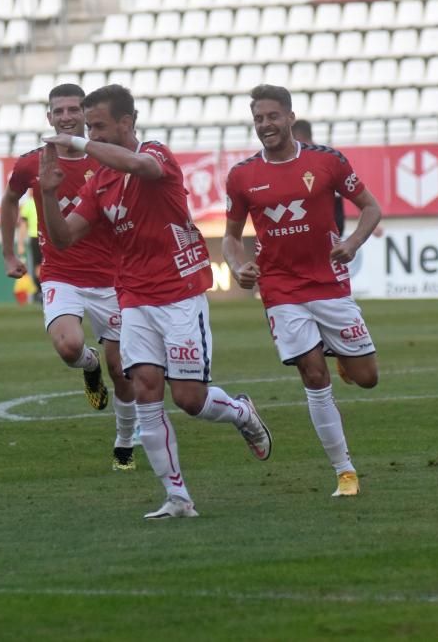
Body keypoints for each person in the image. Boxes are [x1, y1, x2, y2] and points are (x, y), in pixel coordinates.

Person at [39, 84, 272, 519]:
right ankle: (178, 497)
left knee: (189, 399)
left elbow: (137, 165)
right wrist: (49, 194)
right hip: (133, 298)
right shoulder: (99, 182)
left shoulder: (156, 154)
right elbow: (63, 237)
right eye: (88, 127)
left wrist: (73, 141)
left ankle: (240, 411)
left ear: (127, 123)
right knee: (146, 389)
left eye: (99, 126)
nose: (92, 134)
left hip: (179, 295)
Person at [222, 84, 382, 498]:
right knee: (313, 375)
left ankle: (340, 354)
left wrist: (352, 243)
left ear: (290, 117)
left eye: (272, 116)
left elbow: (371, 207)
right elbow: (231, 238)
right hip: (281, 289)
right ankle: (344, 471)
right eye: (258, 118)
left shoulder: (326, 161)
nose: (265, 125)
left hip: (329, 284)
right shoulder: (241, 176)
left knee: (367, 378)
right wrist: (239, 266)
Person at [0, 83, 138, 471]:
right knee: (68, 347)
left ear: (84, 114)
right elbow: (10, 199)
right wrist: (9, 253)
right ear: (48, 117)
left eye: (73, 110)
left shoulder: (108, 158)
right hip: (61, 273)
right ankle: (87, 365)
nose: (65, 117)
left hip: (112, 278)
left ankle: (125, 442)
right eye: (58, 111)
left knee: (122, 369)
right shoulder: (33, 163)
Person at [292, 120, 344, 237]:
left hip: (322, 217)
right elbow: (352, 189)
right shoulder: (331, 156)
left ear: (297, 137)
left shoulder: (317, 158)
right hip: (332, 216)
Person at [17, 193, 43, 301]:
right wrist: (20, 244)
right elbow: (23, 226)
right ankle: (40, 291)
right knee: (38, 267)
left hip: (48, 236)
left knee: (47, 265)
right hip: (35, 237)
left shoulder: (44, 200)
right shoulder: (28, 204)